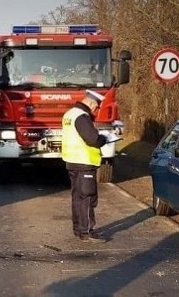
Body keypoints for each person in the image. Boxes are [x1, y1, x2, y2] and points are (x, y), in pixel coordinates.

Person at [61, 89, 109, 243]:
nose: (96, 109)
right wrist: (104, 139)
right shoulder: (82, 117)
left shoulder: (69, 114)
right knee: (87, 198)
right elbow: (92, 139)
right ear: (91, 102)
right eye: (96, 106)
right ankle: (87, 232)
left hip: (72, 162)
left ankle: (78, 230)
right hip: (84, 162)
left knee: (78, 198)